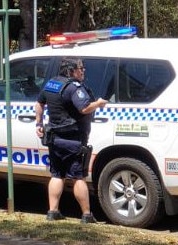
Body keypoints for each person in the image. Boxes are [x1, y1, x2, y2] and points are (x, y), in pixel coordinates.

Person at [34, 58, 107, 223]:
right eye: (80, 68)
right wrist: (98, 104)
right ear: (71, 70)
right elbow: (84, 108)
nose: (83, 71)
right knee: (77, 177)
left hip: (54, 138)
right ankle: (87, 215)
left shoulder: (51, 84)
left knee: (56, 174)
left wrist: (39, 123)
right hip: (72, 140)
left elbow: (39, 103)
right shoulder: (74, 87)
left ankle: (53, 212)